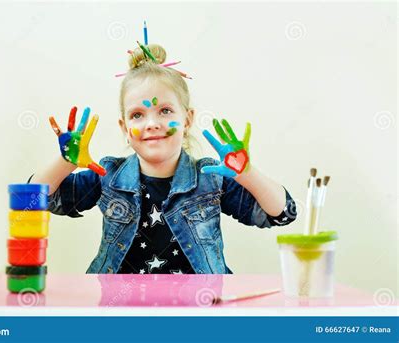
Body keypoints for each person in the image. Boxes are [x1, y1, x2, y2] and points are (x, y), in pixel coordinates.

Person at [28, 44, 297, 274]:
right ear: (124, 127)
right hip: (120, 311)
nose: (152, 123)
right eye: (137, 115)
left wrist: (247, 173)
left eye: (165, 110)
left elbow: (282, 214)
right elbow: (31, 200)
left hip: (199, 312)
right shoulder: (108, 175)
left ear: (187, 119)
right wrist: (66, 162)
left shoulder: (211, 179)